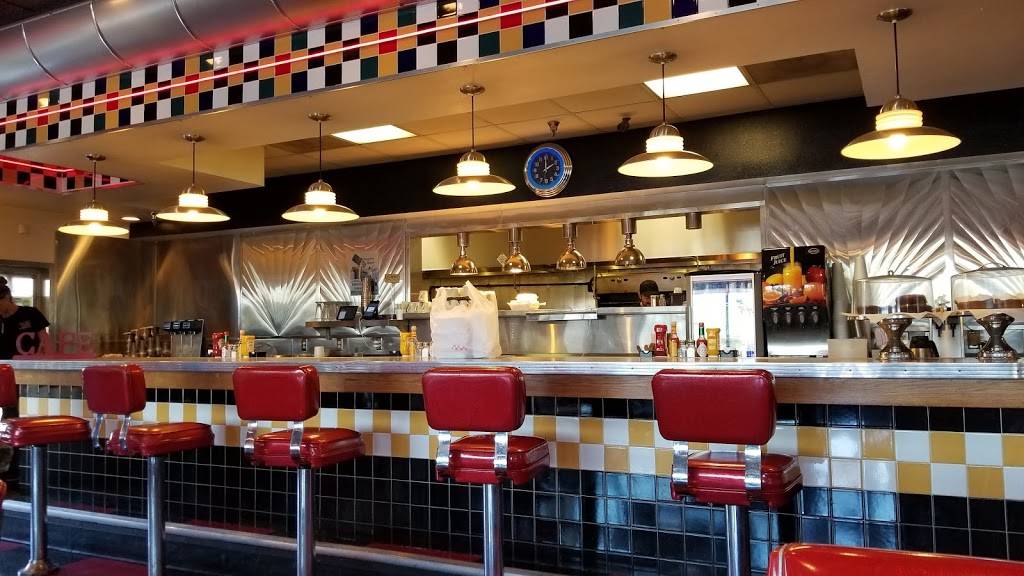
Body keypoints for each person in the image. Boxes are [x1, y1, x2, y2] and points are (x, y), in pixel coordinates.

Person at [0, 276, 50, 359]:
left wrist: (47, 360)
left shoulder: (31, 313)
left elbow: (45, 341)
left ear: (7, 296)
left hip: (29, 363)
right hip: (3, 364)